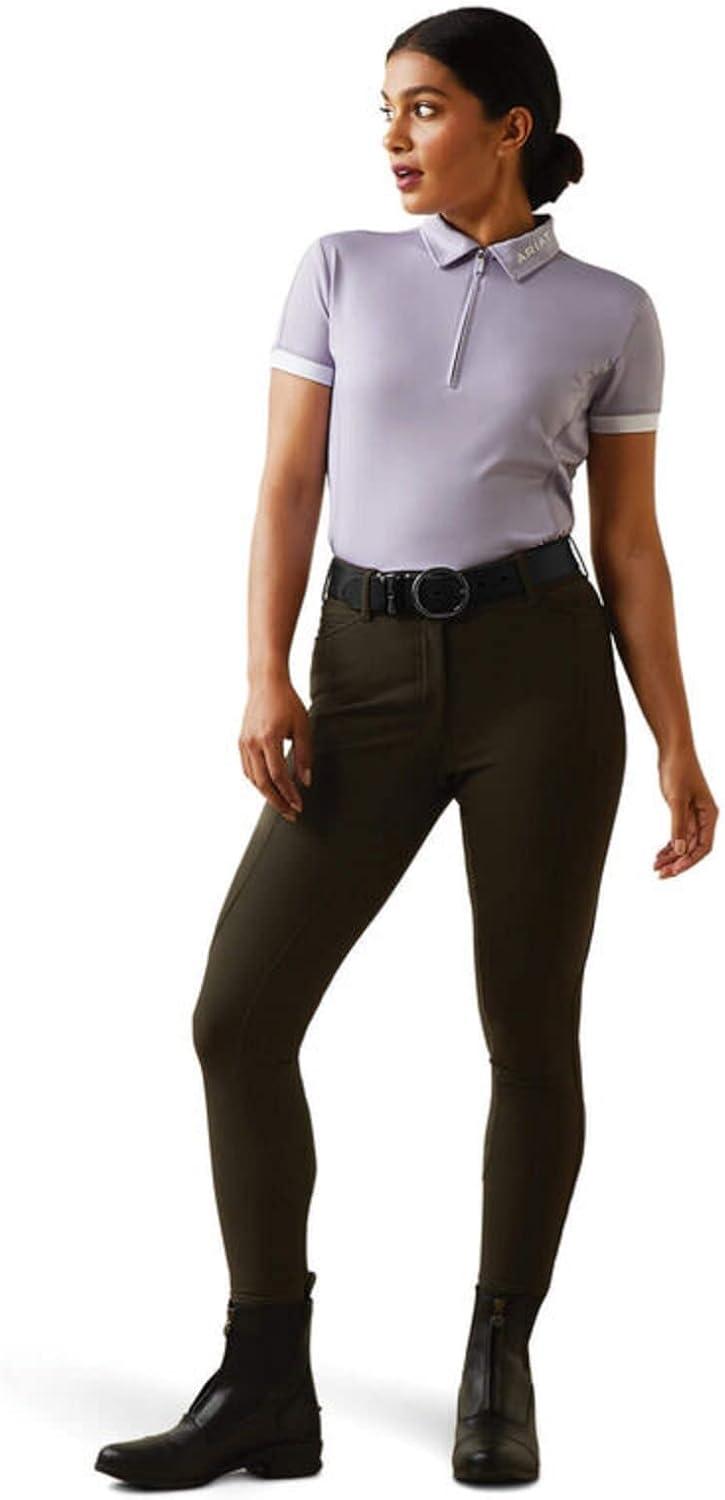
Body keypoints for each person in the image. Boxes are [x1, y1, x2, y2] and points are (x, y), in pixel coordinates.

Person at [94, 6, 718, 1490]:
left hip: (539, 678)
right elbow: (287, 482)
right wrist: (265, 671)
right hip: (360, 669)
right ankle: (265, 1380)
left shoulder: (612, 309)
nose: (392, 137)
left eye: (424, 107)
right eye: (383, 108)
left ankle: (499, 1363)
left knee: (529, 1030)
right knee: (238, 1018)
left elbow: (630, 546)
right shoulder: (339, 269)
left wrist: (678, 744)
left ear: (510, 127)